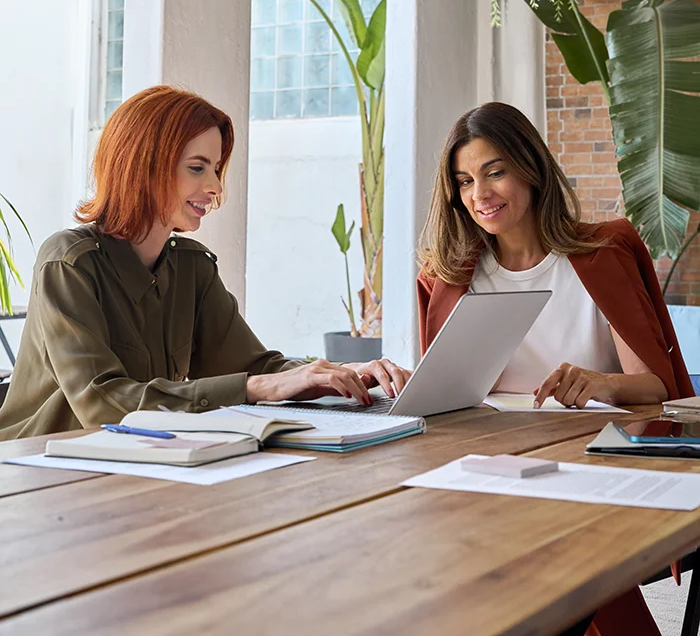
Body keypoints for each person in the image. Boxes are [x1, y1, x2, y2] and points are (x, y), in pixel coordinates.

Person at [417, 101, 691, 636]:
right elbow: (450, 400)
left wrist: (600, 382)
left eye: (495, 171)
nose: (480, 194)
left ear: (532, 167)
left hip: (599, 464)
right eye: (465, 180)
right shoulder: (450, 277)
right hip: (495, 472)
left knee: (547, 556)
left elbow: (656, 388)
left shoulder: (599, 253)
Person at [0, 86, 410, 441]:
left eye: (215, 169)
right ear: (144, 165)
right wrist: (260, 385)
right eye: (197, 168)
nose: (214, 187)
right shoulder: (68, 263)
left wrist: (341, 374)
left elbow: (258, 367)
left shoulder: (191, 267)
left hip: (139, 462)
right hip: (38, 473)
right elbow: (102, 404)